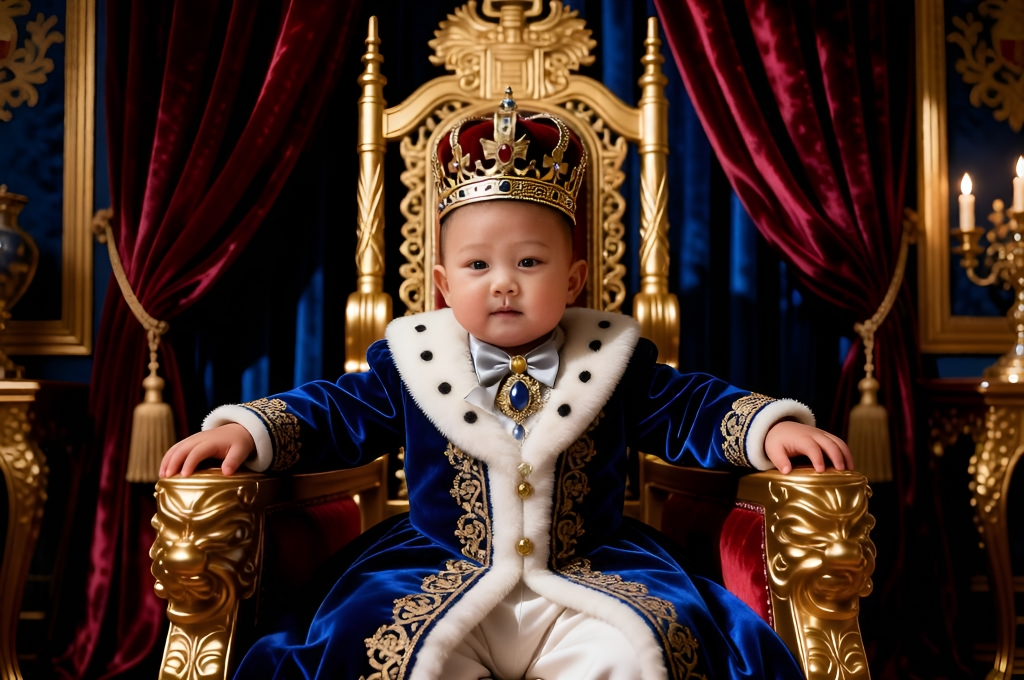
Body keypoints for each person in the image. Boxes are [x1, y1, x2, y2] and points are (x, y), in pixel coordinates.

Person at [161, 90, 852, 680]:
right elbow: (332, 414)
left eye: (528, 262)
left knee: (640, 650)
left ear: (574, 280)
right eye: (477, 265)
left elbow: (692, 409)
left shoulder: (615, 360)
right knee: (383, 651)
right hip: (436, 569)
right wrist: (247, 429)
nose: (503, 283)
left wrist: (769, 427)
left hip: (591, 570)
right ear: (442, 284)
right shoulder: (412, 361)